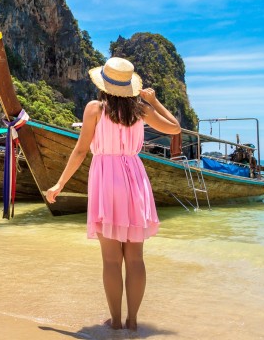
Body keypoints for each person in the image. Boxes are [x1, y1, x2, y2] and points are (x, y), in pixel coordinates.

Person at [45, 57, 181, 331]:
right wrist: (154, 102)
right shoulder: (141, 110)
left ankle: (116, 322)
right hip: (134, 178)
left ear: (104, 85)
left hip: (106, 179)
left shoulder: (95, 108)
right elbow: (175, 128)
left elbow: (81, 150)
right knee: (135, 258)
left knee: (110, 259)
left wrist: (59, 184)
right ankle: (132, 322)